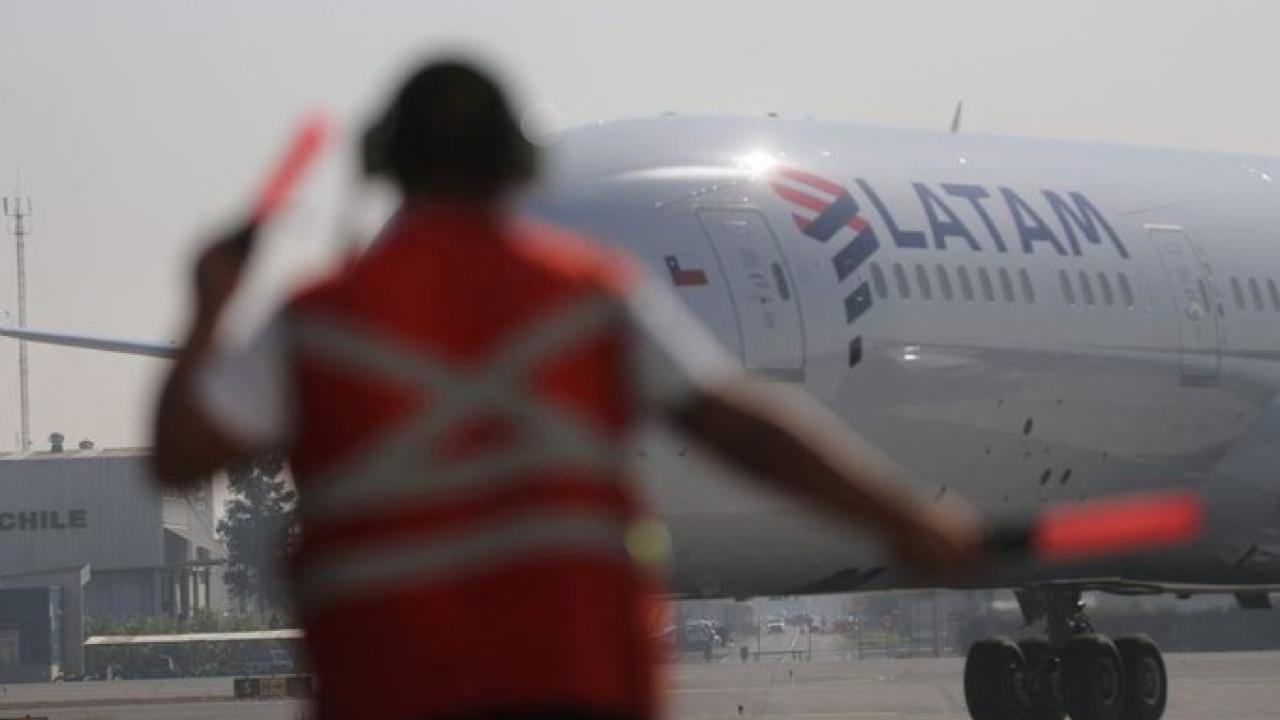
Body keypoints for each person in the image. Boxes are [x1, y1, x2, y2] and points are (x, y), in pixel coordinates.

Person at [152, 58, 984, 720]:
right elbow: (743, 426)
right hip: (570, 673)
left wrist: (207, 312)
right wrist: (905, 519)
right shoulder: (585, 293)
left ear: (386, 169)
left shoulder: (323, 316)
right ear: (517, 166)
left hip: (390, 677)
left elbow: (181, 457)